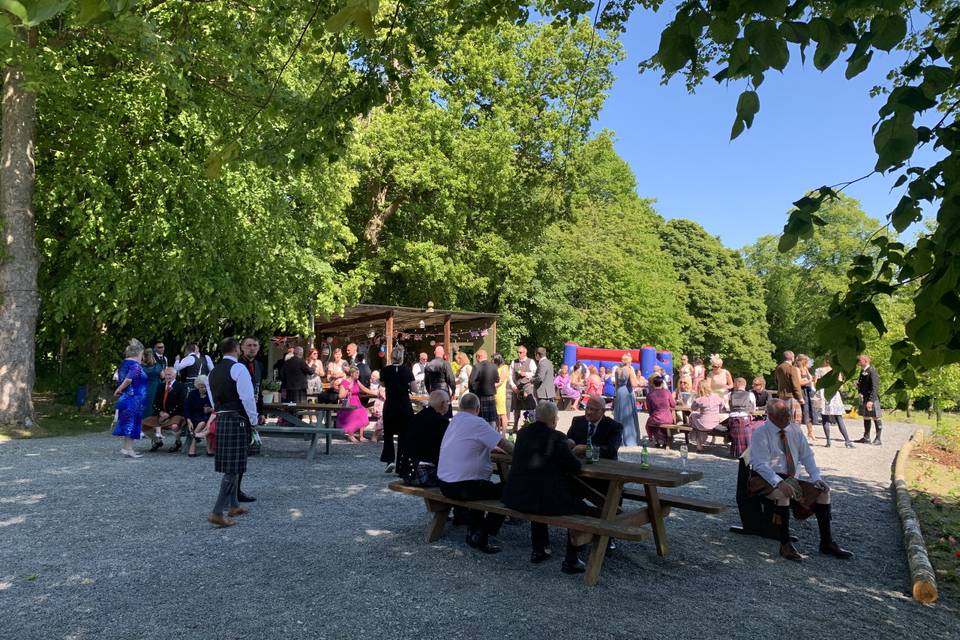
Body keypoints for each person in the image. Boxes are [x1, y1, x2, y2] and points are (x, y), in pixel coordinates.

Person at [746, 399, 853, 561]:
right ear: (771, 416)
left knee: (824, 493)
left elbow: (807, 456)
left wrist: (816, 478)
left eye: (788, 413)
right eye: (783, 415)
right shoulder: (761, 433)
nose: (788, 417)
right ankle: (785, 544)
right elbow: (760, 465)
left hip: (790, 479)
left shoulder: (795, 430)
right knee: (783, 494)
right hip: (763, 479)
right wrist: (779, 482)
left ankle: (826, 542)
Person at [502, 400, 593, 574]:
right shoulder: (556, 437)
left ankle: (539, 549)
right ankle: (571, 559)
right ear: (553, 419)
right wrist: (570, 450)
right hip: (537, 500)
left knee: (539, 492)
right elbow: (575, 466)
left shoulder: (522, 433)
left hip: (517, 497)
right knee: (581, 508)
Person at [437, 393, 514, 554]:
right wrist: (524, 455)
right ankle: (482, 534)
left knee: (482, 484)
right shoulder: (477, 422)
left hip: (445, 483)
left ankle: (474, 529)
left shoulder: (455, 421)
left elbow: (470, 442)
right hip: (463, 486)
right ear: (477, 409)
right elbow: (504, 443)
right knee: (510, 491)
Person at [206, 337, 258, 528]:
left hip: (222, 418)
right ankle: (217, 512)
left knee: (234, 464)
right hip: (238, 419)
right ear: (237, 349)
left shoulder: (212, 373)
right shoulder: (239, 369)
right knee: (232, 467)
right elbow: (247, 398)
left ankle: (234, 505)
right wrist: (253, 420)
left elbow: (213, 402)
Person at [399, 390, 451, 484]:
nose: (448, 405)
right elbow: (442, 451)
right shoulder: (441, 422)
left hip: (407, 471)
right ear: (443, 404)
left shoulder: (418, 417)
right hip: (422, 473)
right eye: (448, 402)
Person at [379, 346, 417, 473]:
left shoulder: (385, 370)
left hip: (390, 405)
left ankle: (389, 460)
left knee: (388, 434)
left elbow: (383, 384)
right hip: (404, 405)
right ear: (402, 357)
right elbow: (414, 388)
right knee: (403, 436)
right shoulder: (407, 370)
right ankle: (401, 465)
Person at [113, 339, 148, 458]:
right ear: (137, 354)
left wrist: (120, 389)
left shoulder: (124, 363)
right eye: (142, 354)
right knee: (132, 424)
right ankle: (129, 449)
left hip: (128, 398)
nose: (142, 357)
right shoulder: (135, 365)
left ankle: (126, 448)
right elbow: (128, 379)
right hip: (133, 399)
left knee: (129, 423)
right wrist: (119, 389)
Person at [142, 367, 188, 452]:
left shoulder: (181, 386)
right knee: (144, 425)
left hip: (176, 414)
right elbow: (155, 403)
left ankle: (178, 442)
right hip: (161, 414)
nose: (167, 376)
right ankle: (157, 441)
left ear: (175, 375)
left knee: (174, 426)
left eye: (169, 374)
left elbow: (181, 404)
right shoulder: (160, 386)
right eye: (166, 374)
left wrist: (169, 414)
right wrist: (160, 412)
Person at [568, 394, 622, 461]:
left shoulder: (614, 426)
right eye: (587, 408)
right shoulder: (577, 421)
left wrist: (586, 448)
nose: (588, 412)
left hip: (604, 464)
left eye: (593, 409)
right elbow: (568, 440)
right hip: (580, 462)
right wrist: (569, 442)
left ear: (603, 411)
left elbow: (611, 450)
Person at [816, 357, 853, 448]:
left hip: (823, 393)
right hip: (833, 394)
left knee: (825, 418)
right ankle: (847, 441)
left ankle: (828, 441)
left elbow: (816, 383)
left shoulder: (819, 370)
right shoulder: (836, 370)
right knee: (839, 418)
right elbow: (840, 386)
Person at [337, 366, 374, 442]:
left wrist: (376, 392)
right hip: (348, 404)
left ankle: (361, 436)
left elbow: (365, 389)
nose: (358, 375)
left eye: (358, 373)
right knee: (356, 413)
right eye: (356, 373)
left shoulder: (356, 381)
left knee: (363, 411)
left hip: (357, 403)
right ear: (351, 373)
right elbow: (340, 396)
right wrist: (348, 388)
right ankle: (350, 434)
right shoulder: (344, 382)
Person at [689, 380, 726, 452]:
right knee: (699, 420)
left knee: (693, 417)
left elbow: (693, 408)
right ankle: (700, 444)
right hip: (715, 423)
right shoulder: (717, 397)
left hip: (703, 424)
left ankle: (699, 445)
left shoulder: (699, 399)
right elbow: (722, 408)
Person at [613, 354, 642, 447]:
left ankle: (618, 438)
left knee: (619, 415)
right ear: (628, 361)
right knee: (628, 416)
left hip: (619, 392)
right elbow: (634, 384)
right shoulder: (629, 369)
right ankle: (629, 439)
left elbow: (616, 384)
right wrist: (638, 382)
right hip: (627, 393)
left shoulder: (617, 370)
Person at [856, 354, 883, 445]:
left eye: (859, 361)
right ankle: (866, 437)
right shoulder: (863, 371)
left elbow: (875, 387)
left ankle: (878, 439)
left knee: (876, 417)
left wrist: (871, 400)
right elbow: (864, 384)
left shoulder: (872, 371)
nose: (858, 362)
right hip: (864, 398)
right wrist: (858, 386)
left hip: (872, 398)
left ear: (865, 361)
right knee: (866, 416)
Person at [727, 377, 757, 457]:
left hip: (733, 419)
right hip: (745, 418)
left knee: (735, 436)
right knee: (747, 436)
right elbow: (753, 408)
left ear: (737, 384)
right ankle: (747, 453)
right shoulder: (750, 394)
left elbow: (726, 407)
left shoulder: (730, 394)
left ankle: (735, 453)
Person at [185, 375, 214, 457]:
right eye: (201, 387)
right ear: (197, 386)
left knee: (204, 422)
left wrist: (210, 409)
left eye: (205, 387)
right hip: (195, 416)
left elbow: (216, 407)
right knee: (202, 423)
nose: (203, 389)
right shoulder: (192, 394)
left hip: (209, 416)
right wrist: (189, 420)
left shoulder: (211, 394)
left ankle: (193, 444)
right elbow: (187, 408)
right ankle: (209, 449)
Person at [468, 349, 500, 425]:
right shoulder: (494, 366)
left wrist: (474, 393)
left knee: (481, 420)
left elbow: (471, 382)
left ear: (478, 357)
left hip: (480, 396)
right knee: (492, 420)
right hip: (491, 396)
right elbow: (497, 379)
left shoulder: (477, 366)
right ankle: (492, 434)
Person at [644, 375, 676, 448]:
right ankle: (664, 440)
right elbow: (673, 405)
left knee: (649, 424)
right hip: (668, 418)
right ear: (662, 383)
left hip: (656, 417)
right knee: (659, 424)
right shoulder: (667, 392)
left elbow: (649, 409)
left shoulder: (650, 395)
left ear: (652, 384)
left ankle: (653, 438)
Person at [510, 346, 537, 429]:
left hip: (527, 387)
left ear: (525, 352)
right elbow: (510, 375)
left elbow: (535, 374)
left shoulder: (531, 361)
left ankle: (530, 426)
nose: (518, 354)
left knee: (529, 407)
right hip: (517, 387)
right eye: (517, 352)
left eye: (520, 352)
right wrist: (513, 386)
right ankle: (515, 426)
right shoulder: (514, 362)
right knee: (516, 408)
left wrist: (526, 374)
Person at [774, 351, 803, 425]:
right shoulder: (792, 368)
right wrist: (800, 397)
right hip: (791, 396)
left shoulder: (779, 367)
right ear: (792, 358)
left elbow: (776, 381)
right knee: (794, 420)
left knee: (784, 418)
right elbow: (795, 384)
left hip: (781, 396)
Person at [796, 354, 817, 440]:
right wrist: (808, 380)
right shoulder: (797, 369)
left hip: (807, 391)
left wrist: (812, 379)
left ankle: (810, 431)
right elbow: (799, 382)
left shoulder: (805, 369)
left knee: (808, 412)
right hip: (801, 392)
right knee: (801, 413)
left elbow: (811, 378)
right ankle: (798, 432)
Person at [141, 348, 164, 421]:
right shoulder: (157, 366)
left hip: (144, 388)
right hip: (155, 387)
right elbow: (162, 376)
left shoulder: (141, 366)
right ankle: (154, 423)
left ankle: (144, 422)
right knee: (155, 403)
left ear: (143, 356)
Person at [493, 353, 510, 435]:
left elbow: (501, 381)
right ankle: (497, 431)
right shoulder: (496, 368)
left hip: (500, 392)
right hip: (494, 392)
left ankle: (503, 433)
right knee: (496, 413)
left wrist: (491, 385)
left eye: (493, 360)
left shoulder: (504, 368)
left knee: (502, 413)